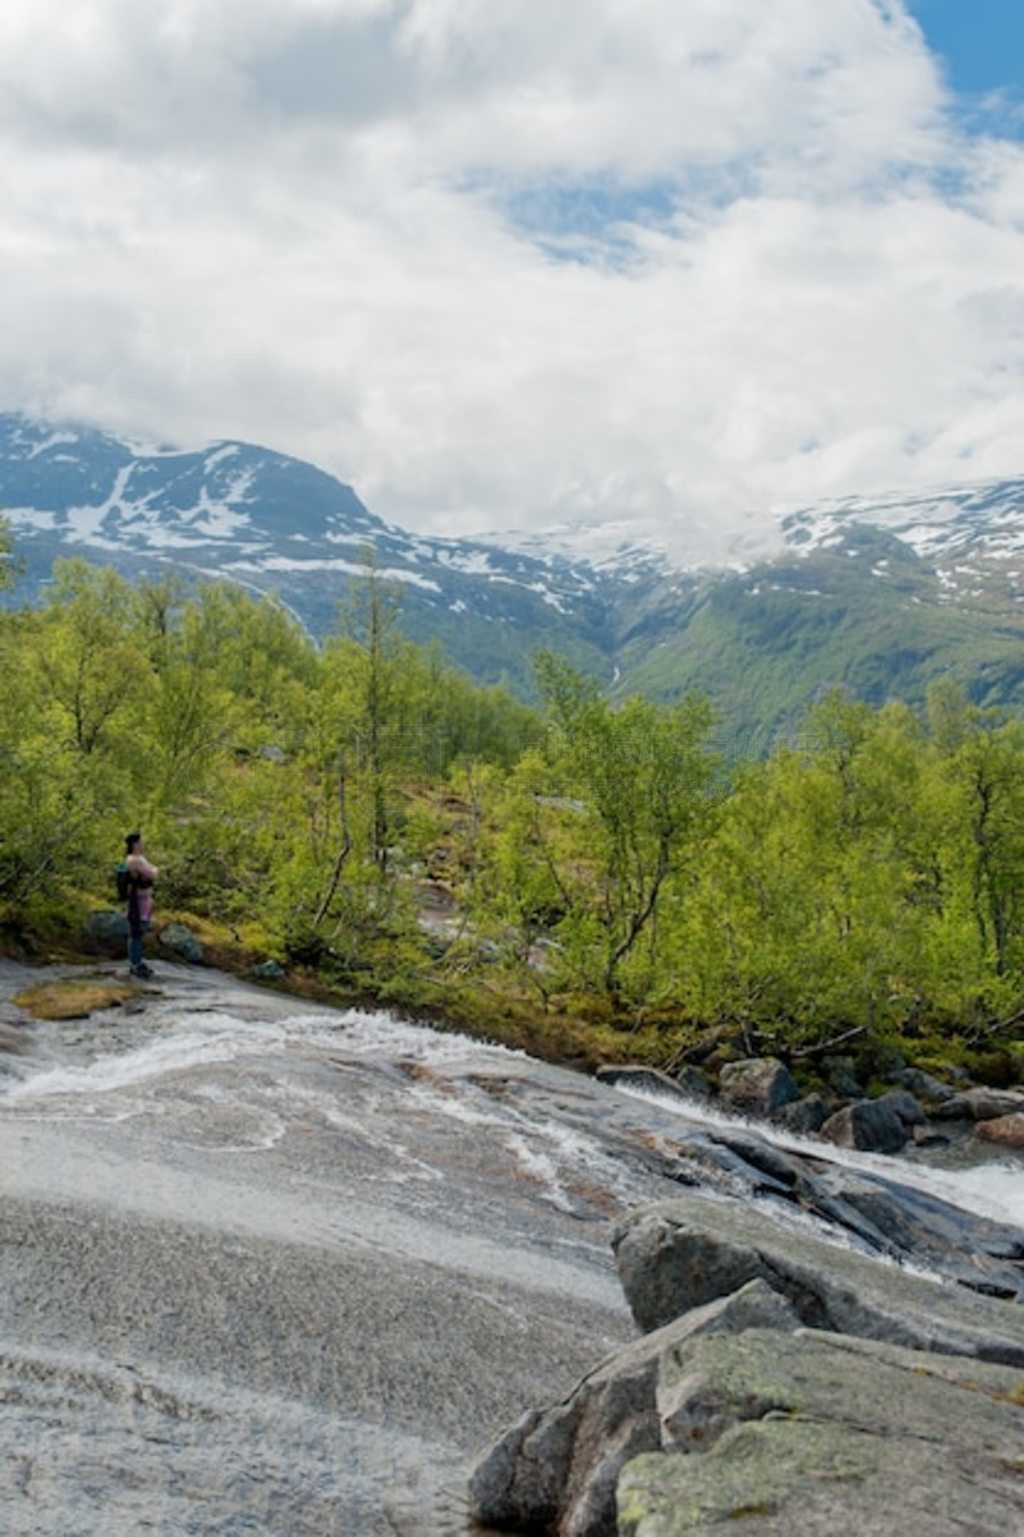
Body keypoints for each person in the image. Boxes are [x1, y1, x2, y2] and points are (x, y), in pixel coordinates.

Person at [124, 831, 158, 978]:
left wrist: (152, 870)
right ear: (135, 844)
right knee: (135, 932)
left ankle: (138, 961)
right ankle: (135, 963)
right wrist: (152, 870)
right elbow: (152, 873)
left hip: (145, 899)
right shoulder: (132, 860)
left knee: (140, 931)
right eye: (141, 842)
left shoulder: (140, 858)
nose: (143, 844)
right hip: (136, 900)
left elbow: (152, 870)